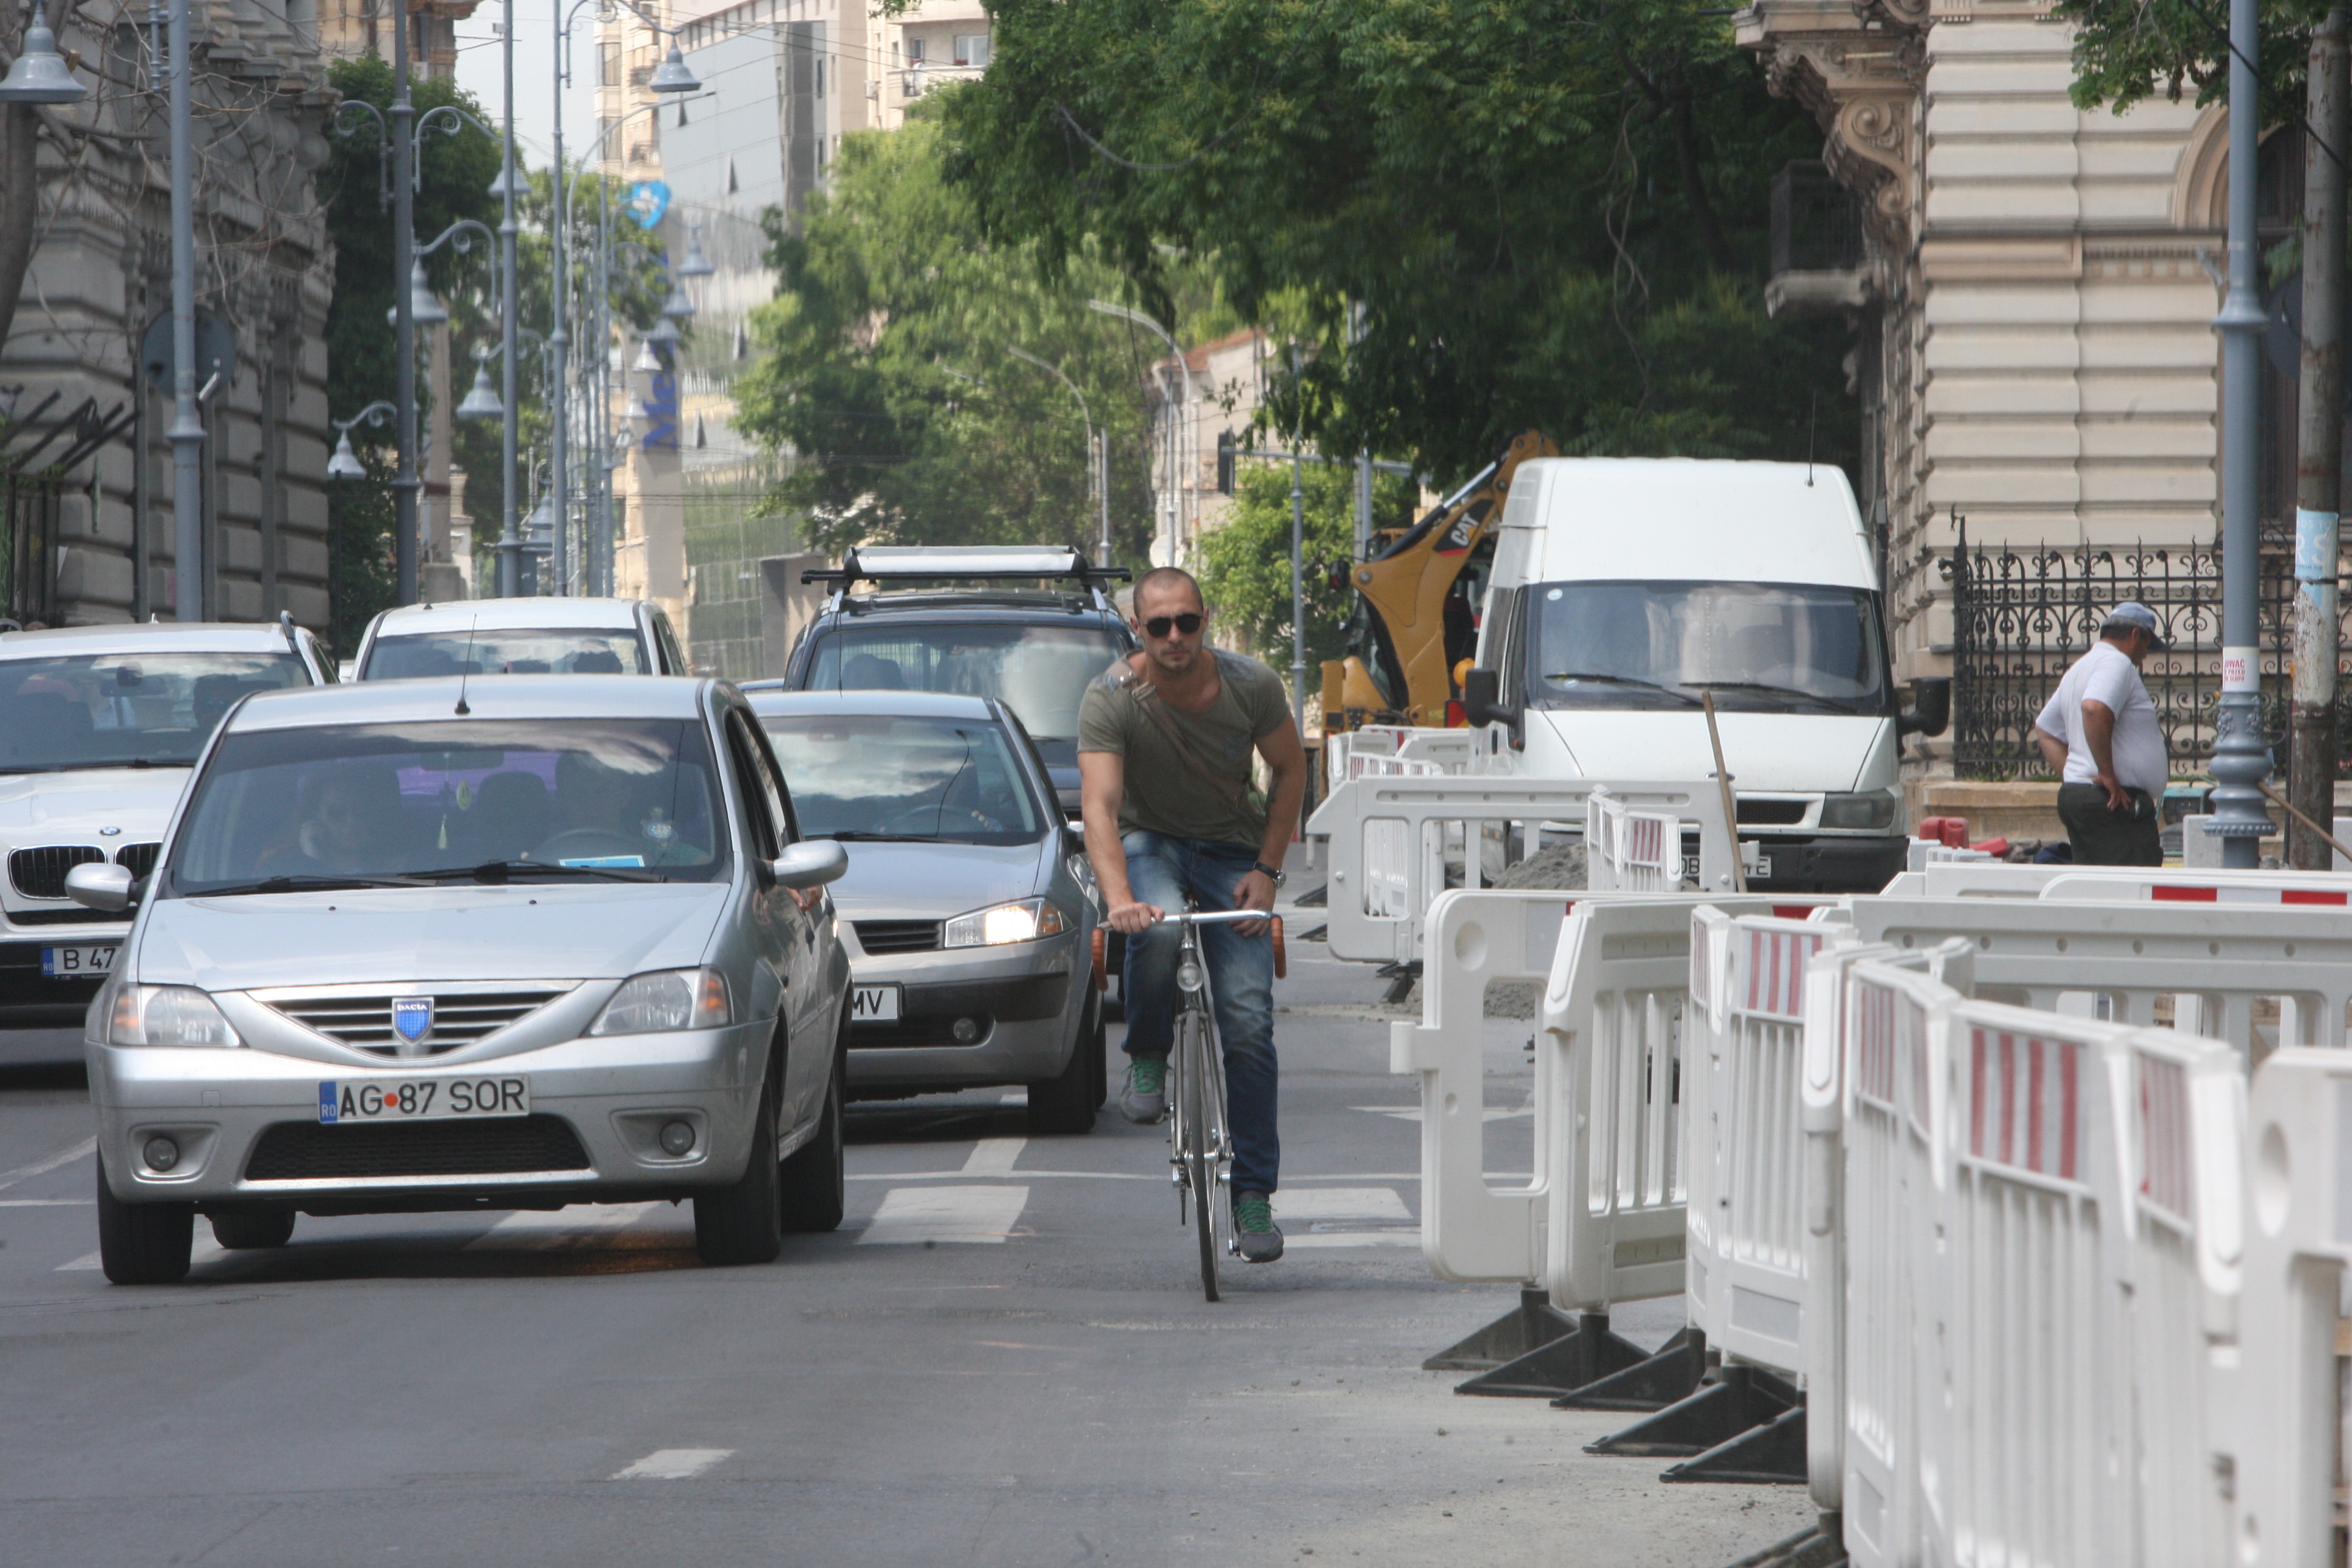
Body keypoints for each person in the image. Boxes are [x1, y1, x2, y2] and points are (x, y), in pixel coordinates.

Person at [1077, 567, 1308, 1264]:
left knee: (1249, 1023)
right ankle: (1149, 1056)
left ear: (1205, 620)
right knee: (1162, 925)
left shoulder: (1251, 685)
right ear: (1138, 630)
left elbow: (1291, 771)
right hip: (1151, 845)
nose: (1174, 636)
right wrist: (1120, 899)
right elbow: (1100, 808)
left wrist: (1267, 872)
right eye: (1159, 625)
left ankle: (1253, 1196)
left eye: (1187, 622)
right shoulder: (1110, 697)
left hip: (1233, 852)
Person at [2030, 601, 2169, 866]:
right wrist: (2107, 775)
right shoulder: (2116, 662)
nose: (2145, 655)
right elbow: (2094, 709)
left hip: (2085, 797)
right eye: (2147, 644)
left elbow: (2045, 729)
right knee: (2131, 885)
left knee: (2097, 885)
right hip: (2113, 804)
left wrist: (2076, 776)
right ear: (2135, 635)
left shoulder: (2081, 667)